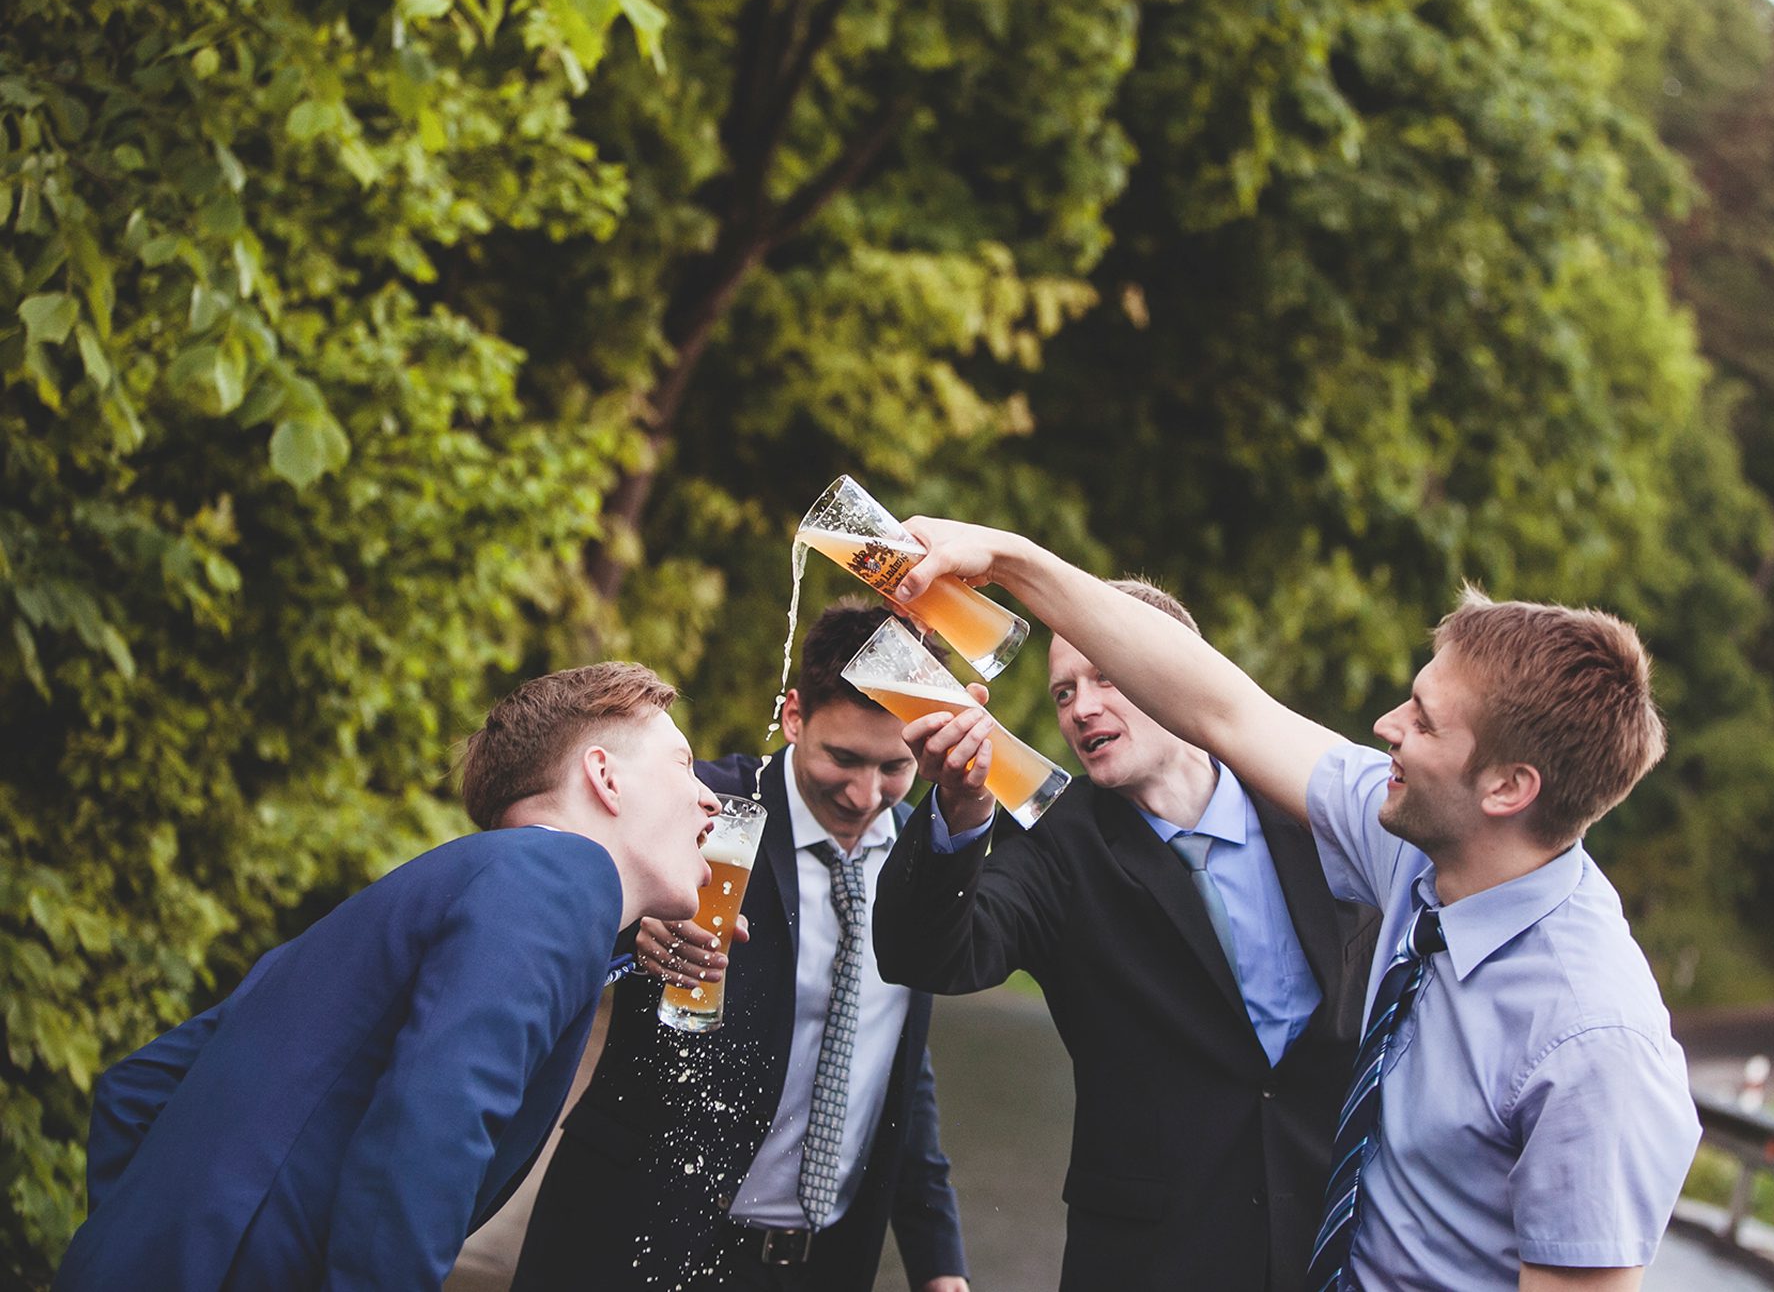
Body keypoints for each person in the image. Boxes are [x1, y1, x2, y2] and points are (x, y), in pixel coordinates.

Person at [885, 524, 1700, 1292]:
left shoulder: (1593, 1046)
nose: (1385, 726)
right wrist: (1008, 559)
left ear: (1508, 788)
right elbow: (1224, 708)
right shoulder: (1406, 845)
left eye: (1423, 722)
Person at [57, 662, 721, 1292]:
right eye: (683, 764)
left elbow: (137, 1089)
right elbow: (431, 1128)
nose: (711, 800)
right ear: (605, 777)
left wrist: (143, 1252)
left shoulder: (456, 889)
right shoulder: (562, 878)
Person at [872, 579, 1373, 1292]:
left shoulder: (1309, 806)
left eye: (1106, 675)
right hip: (1150, 1258)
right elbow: (928, 956)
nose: (1081, 708)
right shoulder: (1054, 839)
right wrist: (959, 806)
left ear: (1179, 672)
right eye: (1064, 692)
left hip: (1331, 1243)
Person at [513, 602, 970, 1292]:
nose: (864, 794)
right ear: (794, 716)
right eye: (843, 758)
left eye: (895, 767)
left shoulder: (924, 856)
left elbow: (894, 1058)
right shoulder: (702, 803)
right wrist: (631, 931)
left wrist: (939, 1260)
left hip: (816, 1267)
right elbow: (554, 906)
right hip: (631, 1234)